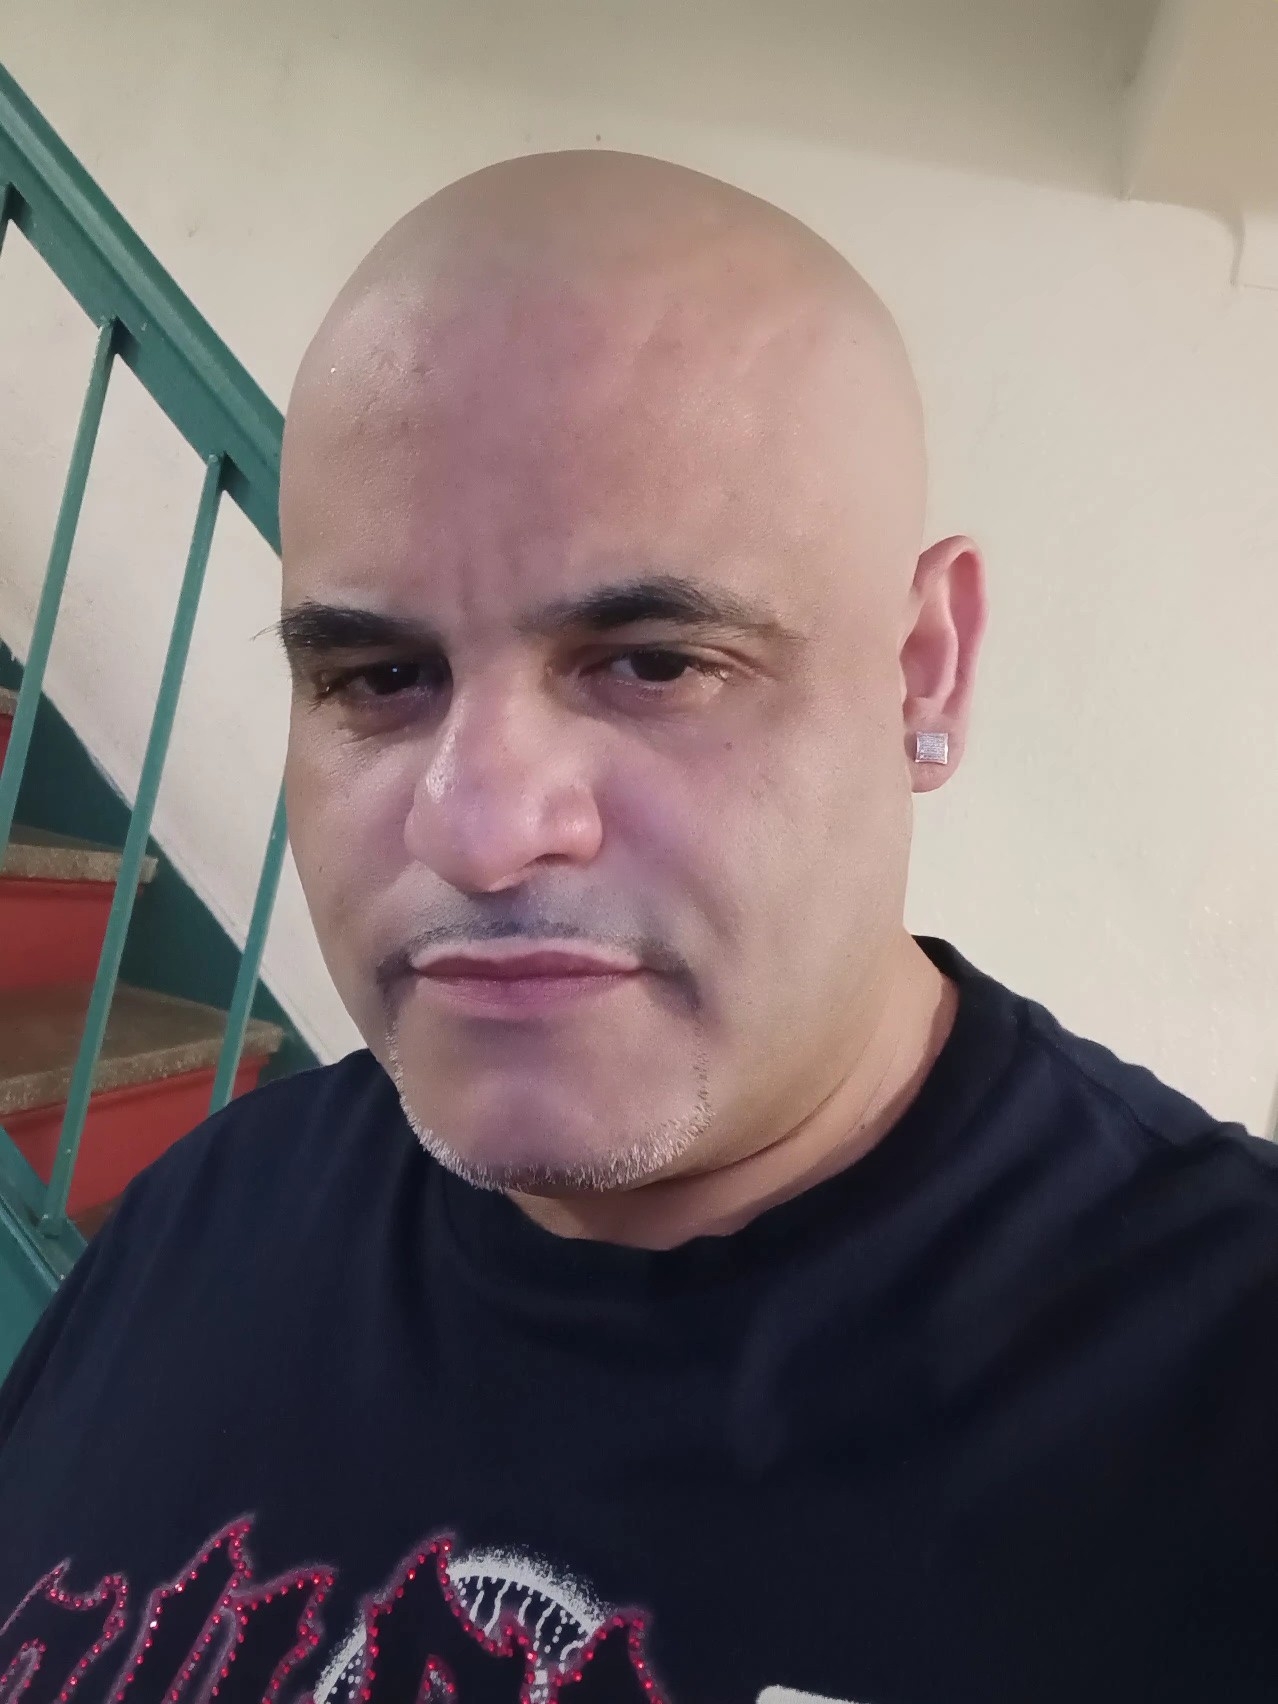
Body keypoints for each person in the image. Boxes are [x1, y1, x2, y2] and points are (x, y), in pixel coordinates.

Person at [0, 152, 1275, 1704]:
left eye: (655, 662)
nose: (478, 828)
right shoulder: (204, 1215)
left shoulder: (1220, 1400)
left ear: (922, 670)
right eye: (377, 679)